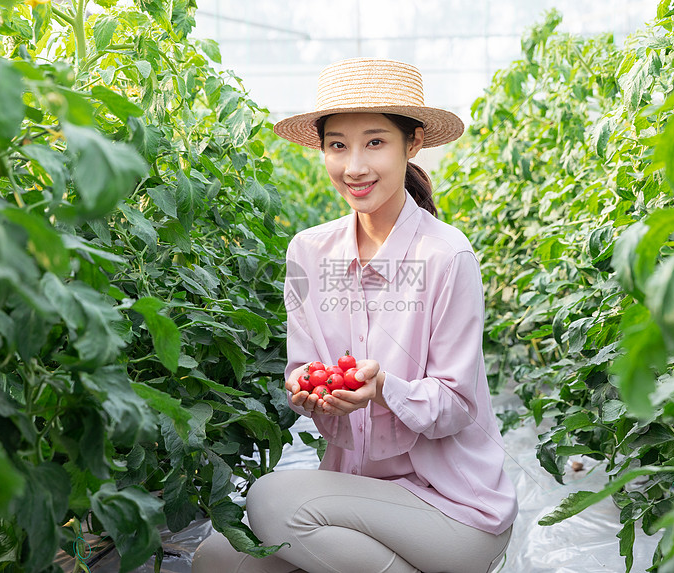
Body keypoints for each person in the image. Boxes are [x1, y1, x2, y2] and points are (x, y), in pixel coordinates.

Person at [192, 57, 517, 573]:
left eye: (374, 142)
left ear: (412, 144)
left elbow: (456, 403)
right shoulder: (307, 252)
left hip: (451, 509)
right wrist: (311, 391)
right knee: (216, 558)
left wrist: (385, 386)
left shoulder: (446, 256)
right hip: (358, 497)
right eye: (337, 145)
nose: (354, 166)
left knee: (274, 501)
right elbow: (304, 366)